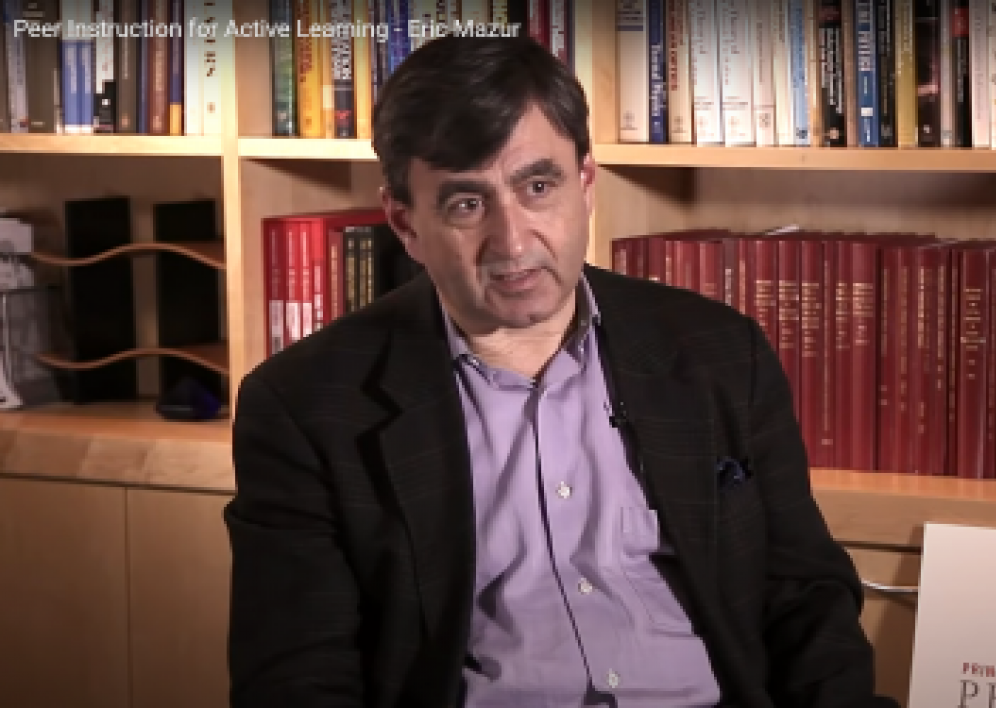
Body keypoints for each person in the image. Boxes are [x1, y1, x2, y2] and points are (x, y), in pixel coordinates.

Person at [224, 33, 896, 708]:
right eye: (466, 204)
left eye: (538, 186)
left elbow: (805, 596)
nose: (513, 242)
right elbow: (297, 678)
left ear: (586, 183)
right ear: (405, 224)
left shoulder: (719, 351)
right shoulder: (305, 406)